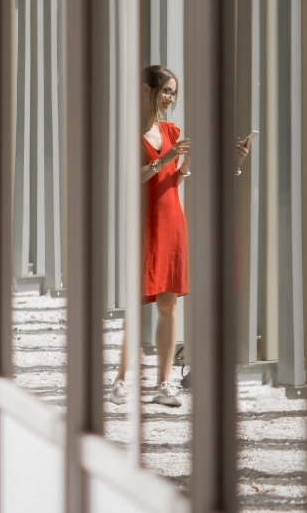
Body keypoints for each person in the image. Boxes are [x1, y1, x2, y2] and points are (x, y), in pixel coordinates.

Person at [109, 66, 191, 408]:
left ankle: (164, 383)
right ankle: (120, 380)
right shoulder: (129, 132)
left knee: (168, 306)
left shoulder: (171, 130)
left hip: (172, 220)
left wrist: (183, 165)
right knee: (136, 304)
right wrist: (165, 160)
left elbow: (174, 180)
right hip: (144, 224)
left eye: (174, 92)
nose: (171, 97)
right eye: (167, 90)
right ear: (146, 89)